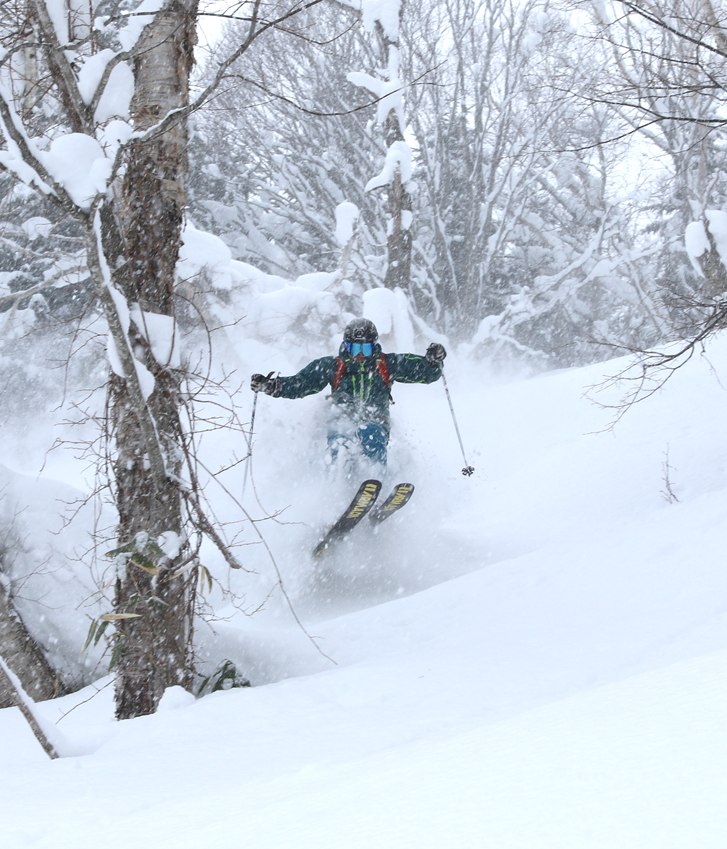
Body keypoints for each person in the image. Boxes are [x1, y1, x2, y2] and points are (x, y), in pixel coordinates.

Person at [251, 318, 446, 469]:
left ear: (374, 347)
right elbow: (301, 383)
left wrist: (432, 362)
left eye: (365, 349)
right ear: (346, 346)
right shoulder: (333, 366)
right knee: (340, 445)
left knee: (370, 434)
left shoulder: (387, 364)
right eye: (355, 348)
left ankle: (376, 481)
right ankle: (338, 490)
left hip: (376, 422)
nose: (360, 355)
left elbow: (422, 372)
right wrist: (272, 386)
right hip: (342, 423)